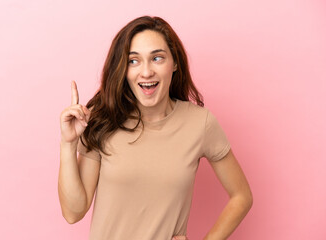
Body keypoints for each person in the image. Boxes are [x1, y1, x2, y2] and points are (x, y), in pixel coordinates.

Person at [58, 16, 253, 240]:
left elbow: (242, 196)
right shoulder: (104, 120)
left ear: (175, 63)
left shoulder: (200, 123)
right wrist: (68, 143)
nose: (146, 71)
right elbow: (73, 212)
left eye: (157, 58)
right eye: (133, 61)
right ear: (123, 69)